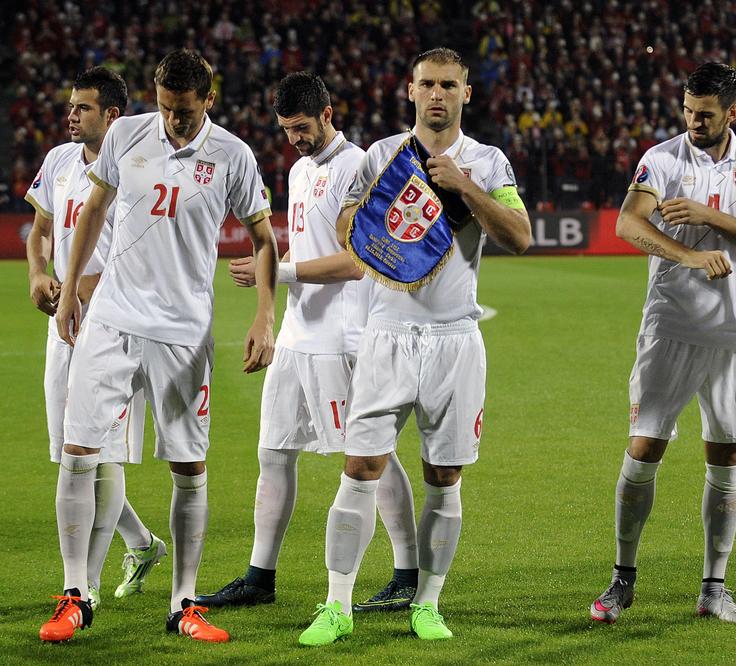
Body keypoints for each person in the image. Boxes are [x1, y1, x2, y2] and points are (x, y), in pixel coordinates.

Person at [297, 47, 531, 647]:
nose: (437, 95)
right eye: (427, 84)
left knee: (443, 475)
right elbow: (350, 229)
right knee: (360, 468)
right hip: (387, 335)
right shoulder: (380, 156)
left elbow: (520, 236)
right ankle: (336, 604)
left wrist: (465, 189)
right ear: (409, 90)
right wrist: (398, 200)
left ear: (466, 93)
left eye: (448, 85)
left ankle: (427, 603)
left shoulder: (488, 161)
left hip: (455, 338)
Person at [46, 49, 278, 644]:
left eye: (185, 110)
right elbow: (94, 210)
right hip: (114, 319)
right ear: (156, 94)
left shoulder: (233, 154)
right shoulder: (125, 134)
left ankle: (184, 604)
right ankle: (76, 594)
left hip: (182, 331)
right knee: (78, 452)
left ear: (209, 100)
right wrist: (72, 290)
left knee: (189, 467)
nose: (173, 120)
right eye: (167, 107)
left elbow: (262, 238)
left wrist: (264, 316)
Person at [195, 71, 419, 613]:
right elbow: (293, 247)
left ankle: (408, 573)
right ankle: (259, 575)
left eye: (302, 127)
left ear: (328, 115)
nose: (294, 138)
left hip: (345, 339)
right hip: (299, 336)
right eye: (286, 129)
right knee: (273, 451)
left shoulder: (362, 168)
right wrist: (268, 316)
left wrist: (285, 271)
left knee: (371, 457)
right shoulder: (298, 171)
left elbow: (362, 260)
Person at [590, 62, 736, 626]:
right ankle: (623, 579)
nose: (693, 122)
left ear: (732, 112)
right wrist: (689, 254)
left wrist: (708, 217)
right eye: (688, 111)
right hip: (670, 326)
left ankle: (713, 589)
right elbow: (628, 225)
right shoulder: (662, 158)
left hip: (733, 332)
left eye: (705, 114)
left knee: (727, 455)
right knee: (645, 447)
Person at [26, 65, 166, 613]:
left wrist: (79, 289)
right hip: (63, 326)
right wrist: (40, 276)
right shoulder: (59, 161)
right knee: (73, 453)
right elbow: (38, 233)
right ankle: (142, 544)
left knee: (98, 451)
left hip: (116, 330)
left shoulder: (141, 168)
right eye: (70, 105)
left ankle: (82, 586)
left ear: (111, 114)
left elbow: (146, 255)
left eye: (82, 107)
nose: (71, 115)